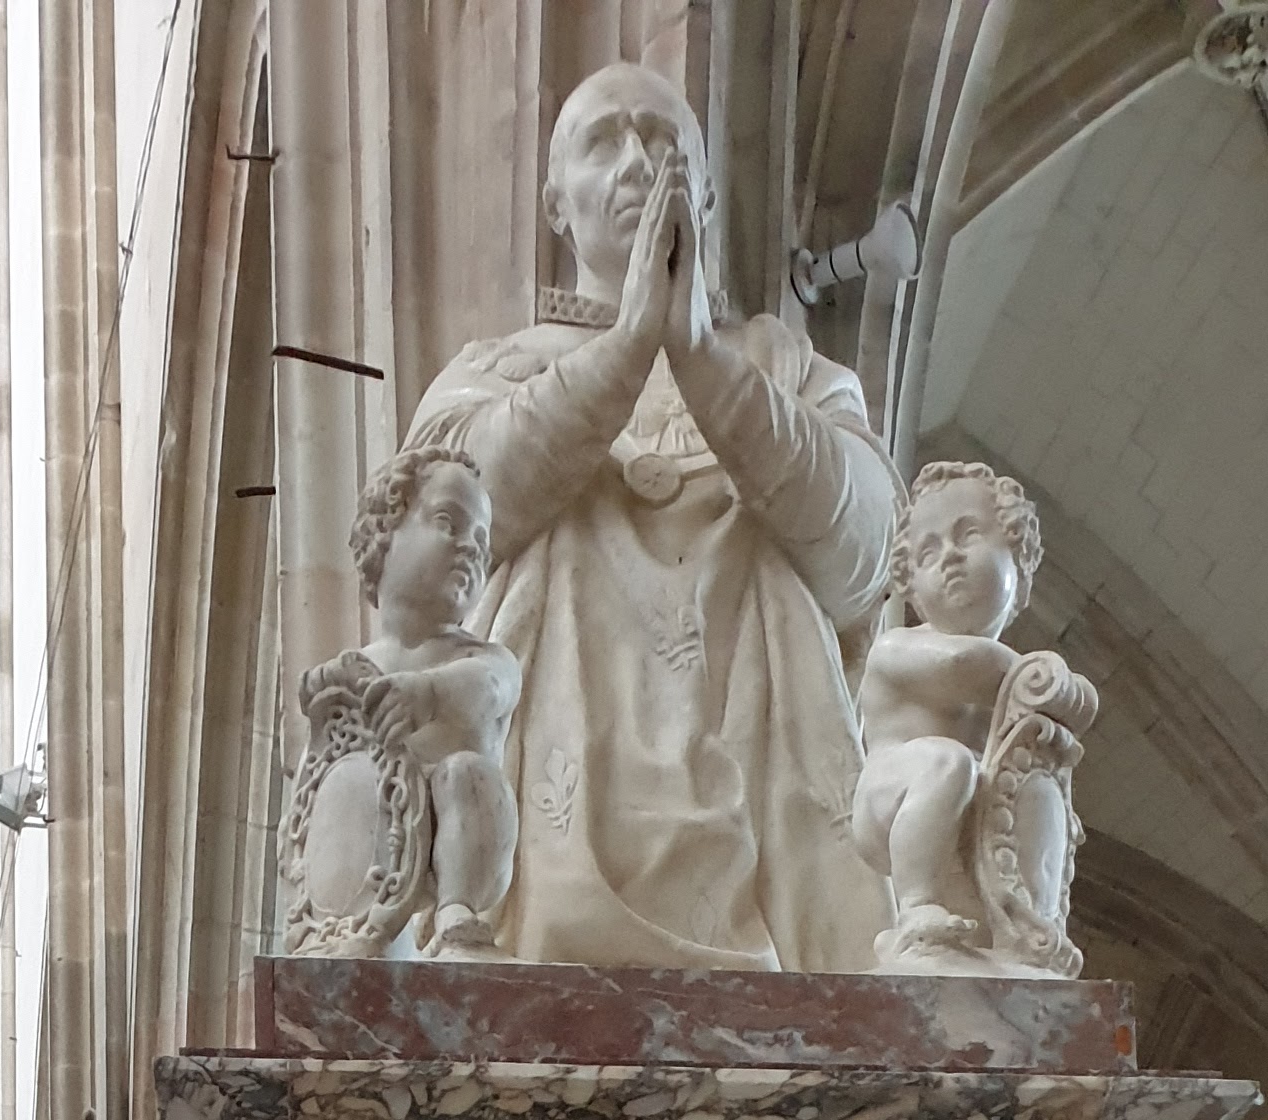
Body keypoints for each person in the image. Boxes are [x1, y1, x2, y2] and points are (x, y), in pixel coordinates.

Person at [403, 62, 900, 971]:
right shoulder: (493, 372)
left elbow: (868, 554)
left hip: (769, 804)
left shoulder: (788, 369)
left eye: (663, 139)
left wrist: (703, 362)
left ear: (703, 196)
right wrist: (624, 353)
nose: (636, 162)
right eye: (603, 142)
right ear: (557, 205)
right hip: (556, 793)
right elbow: (437, 537)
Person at [852, 460, 1096, 974]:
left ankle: (1021, 931)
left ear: (1018, 560)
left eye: (968, 535)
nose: (950, 557)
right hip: (890, 800)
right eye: (928, 552)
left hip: (968, 824)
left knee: (1024, 790)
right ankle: (916, 909)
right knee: (948, 763)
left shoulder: (1011, 681)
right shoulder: (897, 649)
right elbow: (962, 666)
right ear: (911, 587)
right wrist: (1040, 678)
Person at [286, 446, 521, 956]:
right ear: (384, 534)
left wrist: (429, 694)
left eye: (482, 541)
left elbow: (490, 688)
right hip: (382, 846)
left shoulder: (483, 658)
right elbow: (326, 764)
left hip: (459, 840)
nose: (472, 548)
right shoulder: (355, 667)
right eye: (448, 523)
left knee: (466, 775)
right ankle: (336, 923)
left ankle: (455, 911)